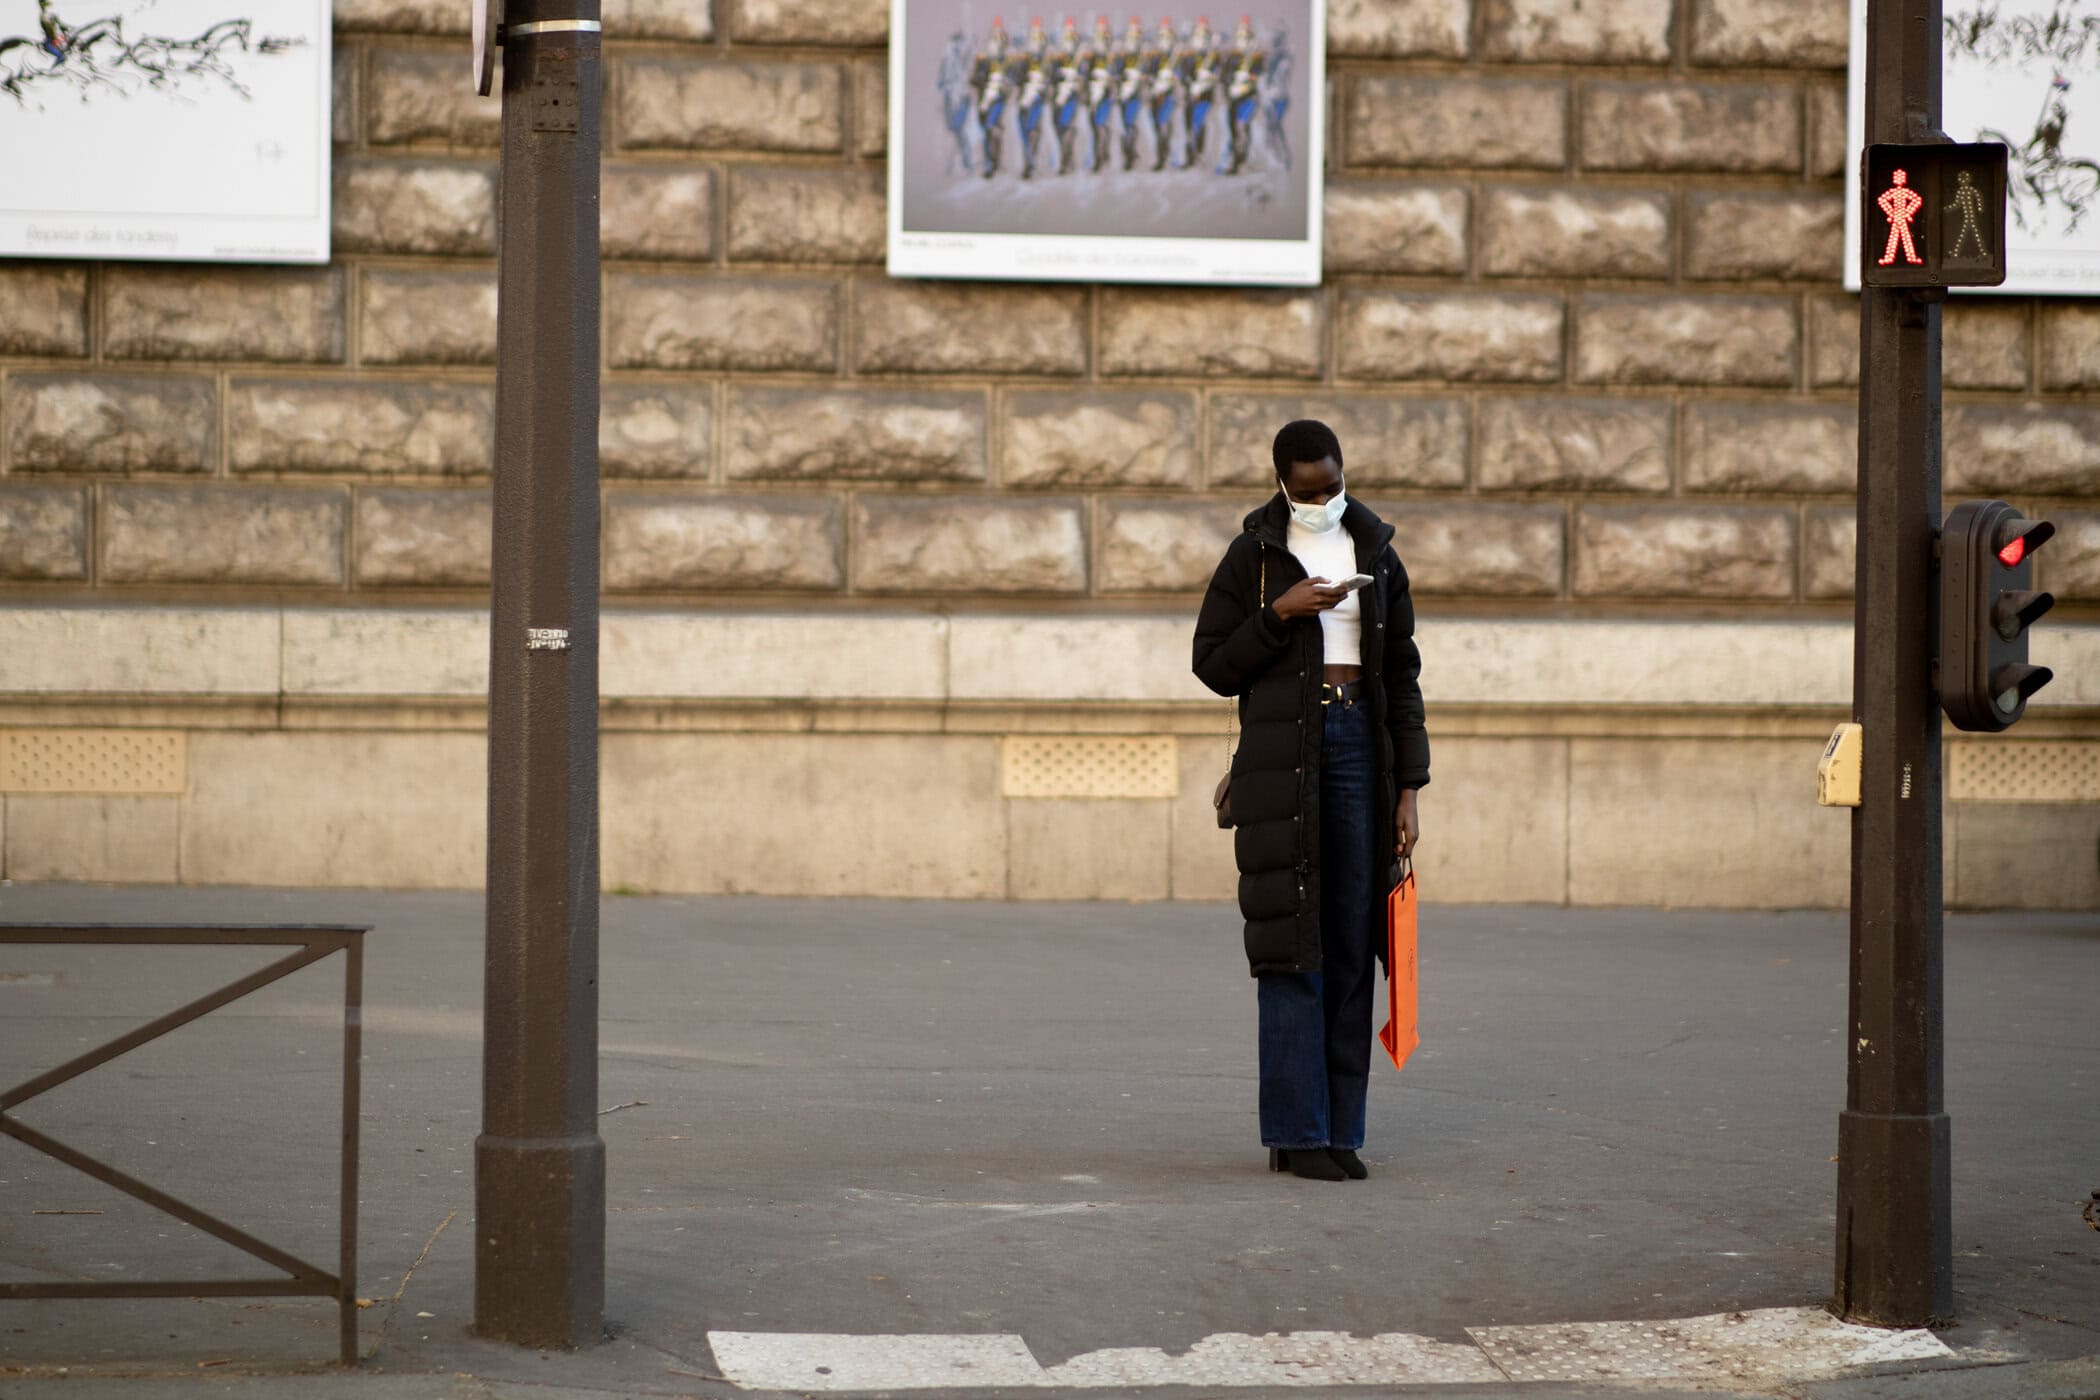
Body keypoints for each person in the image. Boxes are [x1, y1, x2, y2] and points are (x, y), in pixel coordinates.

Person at [1191, 419, 1429, 1182]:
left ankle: (1342, 1133)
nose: (1323, 499)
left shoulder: (1378, 553)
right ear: (1283, 482)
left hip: (1362, 744)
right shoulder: (1254, 556)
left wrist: (1410, 789)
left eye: (1332, 484)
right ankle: (1295, 1133)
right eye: (1308, 489)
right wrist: (1281, 614)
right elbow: (1214, 665)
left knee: (1355, 937)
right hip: (1284, 755)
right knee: (1293, 941)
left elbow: (1403, 678)